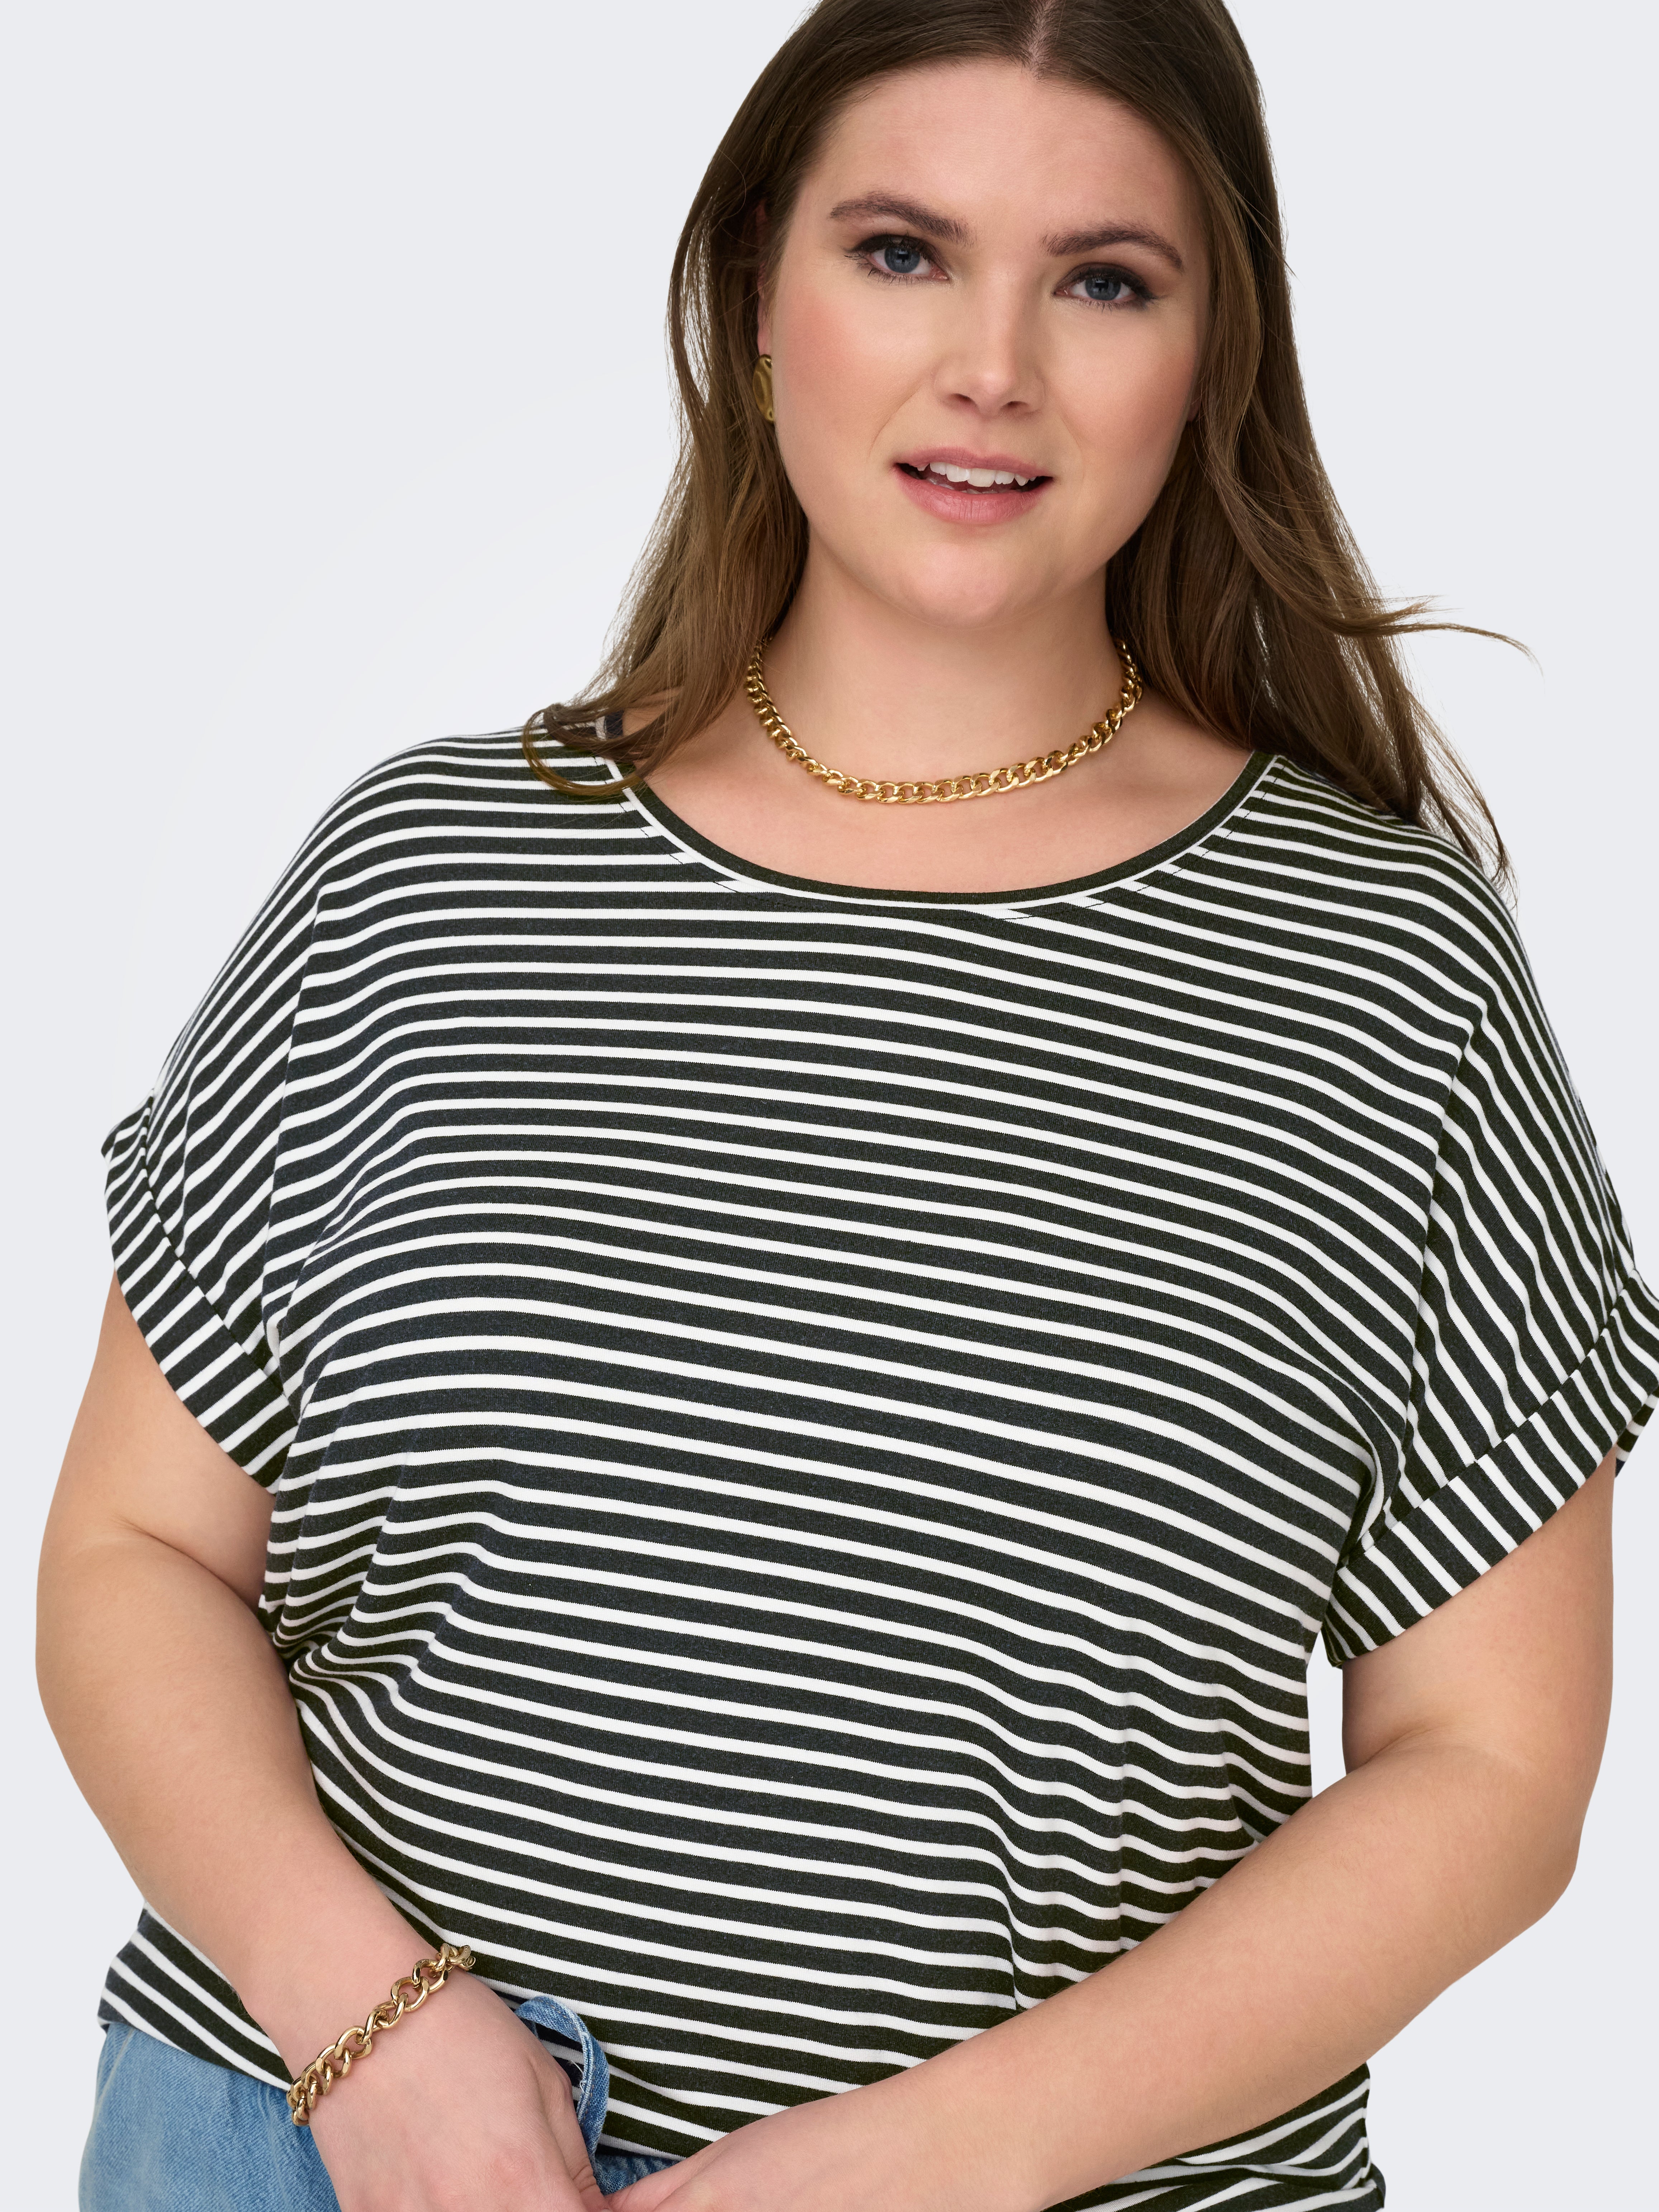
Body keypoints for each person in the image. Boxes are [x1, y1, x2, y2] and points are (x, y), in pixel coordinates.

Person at [38, 3, 1659, 2208]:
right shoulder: (429, 877)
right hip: (304, 2149)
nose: (991, 365)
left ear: (1211, 356)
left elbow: (1487, 1768)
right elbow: (133, 1556)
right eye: (901, 252)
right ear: (751, 297)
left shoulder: (1382, 969)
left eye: (1103, 280)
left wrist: (940, 2160)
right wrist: (375, 2036)